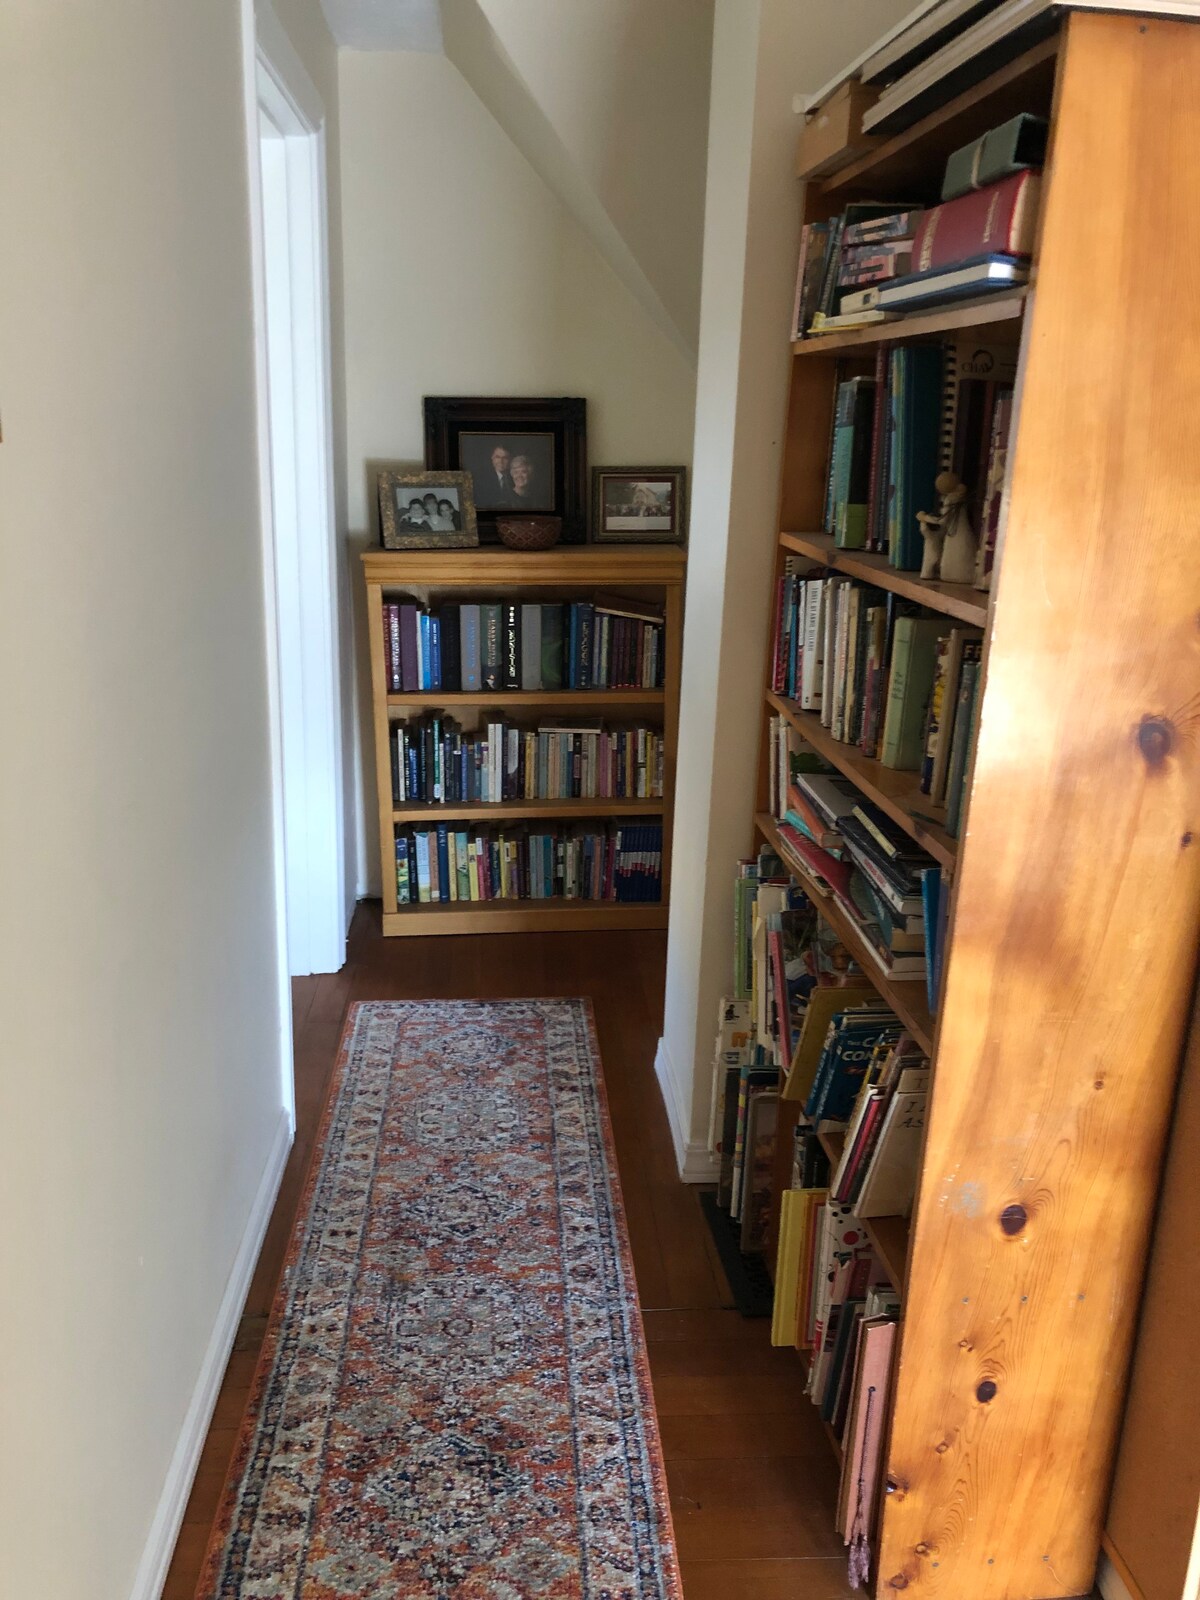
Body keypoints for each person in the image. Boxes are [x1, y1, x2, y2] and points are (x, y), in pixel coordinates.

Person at [473, 443, 513, 508]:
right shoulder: (480, 479)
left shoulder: (515, 477)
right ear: (492, 458)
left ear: (510, 459)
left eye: (505, 458)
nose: (501, 461)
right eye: (497, 457)